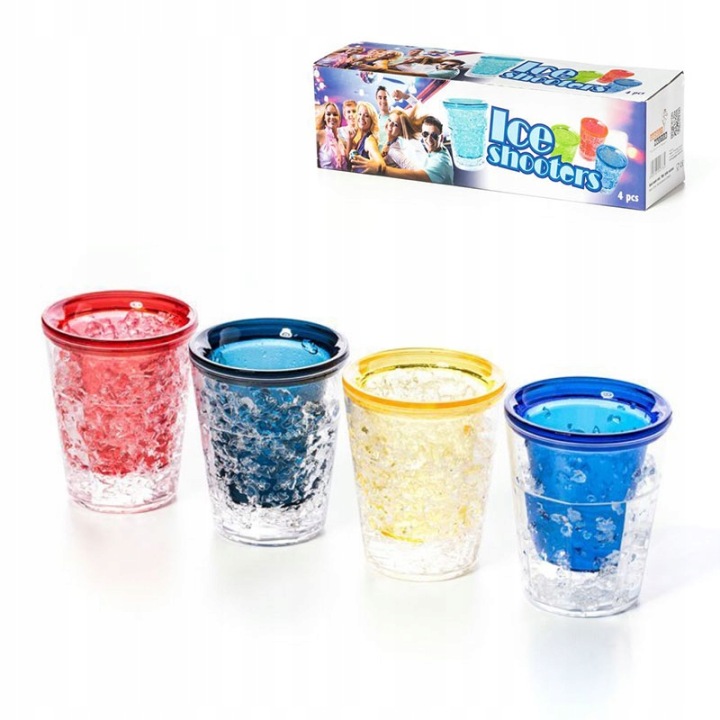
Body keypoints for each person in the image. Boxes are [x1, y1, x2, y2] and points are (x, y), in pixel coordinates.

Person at [352, 115, 454, 185]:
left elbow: (417, 175)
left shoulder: (440, 162)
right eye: (425, 134)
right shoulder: (435, 149)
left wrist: (380, 168)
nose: (429, 139)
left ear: (441, 138)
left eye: (434, 136)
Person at [348, 101, 383, 172]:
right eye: (360, 114)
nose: (361, 118)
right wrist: (350, 140)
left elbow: (381, 165)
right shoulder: (359, 137)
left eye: (366, 116)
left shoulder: (370, 140)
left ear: (372, 120)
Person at [316, 102, 347, 170]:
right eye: (328, 114)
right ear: (324, 117)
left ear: (339, 118)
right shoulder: (318, 135)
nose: (332, 117)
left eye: (335, 114)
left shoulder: (341, 141)